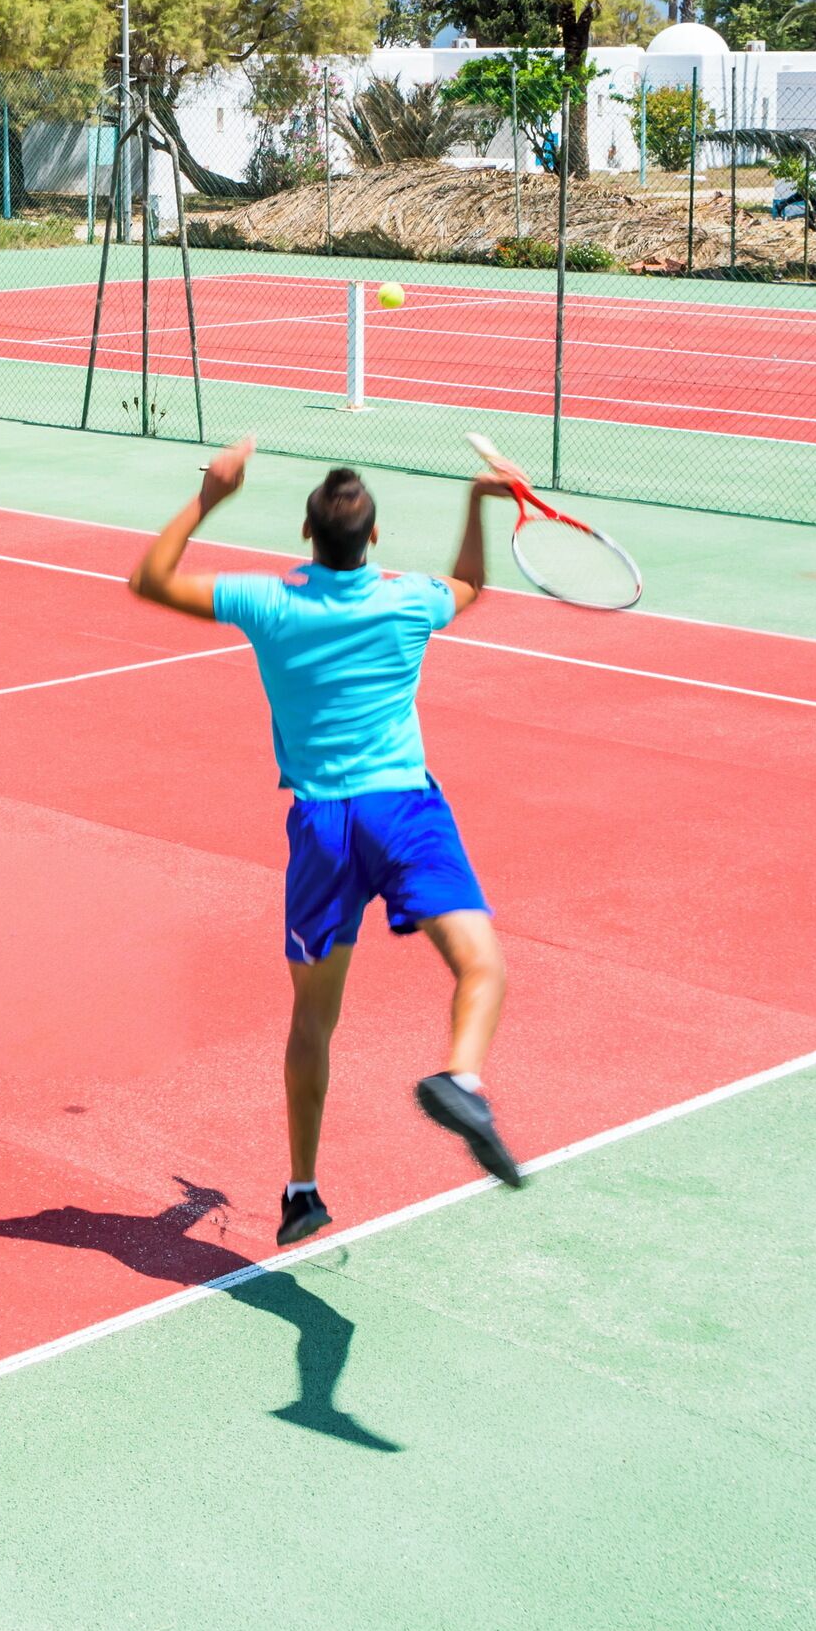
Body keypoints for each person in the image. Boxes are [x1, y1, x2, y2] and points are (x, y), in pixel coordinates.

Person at [130, 440, 524, 1245]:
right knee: (481, 965)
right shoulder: (411, 600)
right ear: (372, 541)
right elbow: (473, 583)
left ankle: (303, 1188)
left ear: (306, 537)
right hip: (404, 809)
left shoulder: (269, 603)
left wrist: (210, 497)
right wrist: (480, 499)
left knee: (314, 1018)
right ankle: (461, 1076)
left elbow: (151, 579)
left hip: (322, 828)